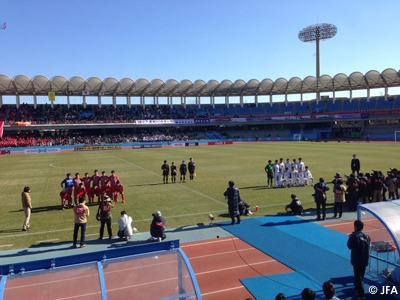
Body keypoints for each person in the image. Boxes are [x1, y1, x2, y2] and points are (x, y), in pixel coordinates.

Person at [347, 220, 370, 300]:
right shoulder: (367, 235)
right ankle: (357, 288)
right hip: (365, 258)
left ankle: (361, 295)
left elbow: (349, 246)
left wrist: (350, 238)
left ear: (355, 226)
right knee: (361, 275)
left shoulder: (354, 236)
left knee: (358, 277)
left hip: (357, 259)